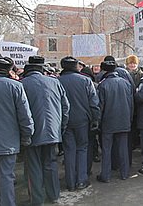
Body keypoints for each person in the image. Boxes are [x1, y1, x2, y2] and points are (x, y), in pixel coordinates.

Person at [0, 56, 34, 206]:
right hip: (8, 141)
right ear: (8, 70)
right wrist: (27, 135)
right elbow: (25, 115)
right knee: (6, 177)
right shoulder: (15, 86)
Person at [21, 56, 70, 205]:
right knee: (50, 164)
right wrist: (61, 127)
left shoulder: (21, 84)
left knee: (33, 167)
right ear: (42, 69)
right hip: (52, 131)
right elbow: (65, 107)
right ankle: (54, 195)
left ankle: (37, 200)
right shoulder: (55, 82)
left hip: (32, 132)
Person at [59, 56, 100, 191]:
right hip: (83, 120)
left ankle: (70, 182)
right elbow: (94, 103)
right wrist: (95, 119)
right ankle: (81, 180)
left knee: (69, 151)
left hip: (64, 121)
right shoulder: (86, 81)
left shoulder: (57, 82)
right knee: (82, 149)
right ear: (76, 66)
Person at [97, 60, 133, 182]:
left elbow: (100, 107)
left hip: (108, 122)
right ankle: (124, 173)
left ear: (105, 71)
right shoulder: (126, 83)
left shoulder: (103, 84)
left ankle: (106, 176)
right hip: (124, 120)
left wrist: (98, 122)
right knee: (123, 148)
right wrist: (130, 118)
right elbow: (131, 103)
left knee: (107, 150)